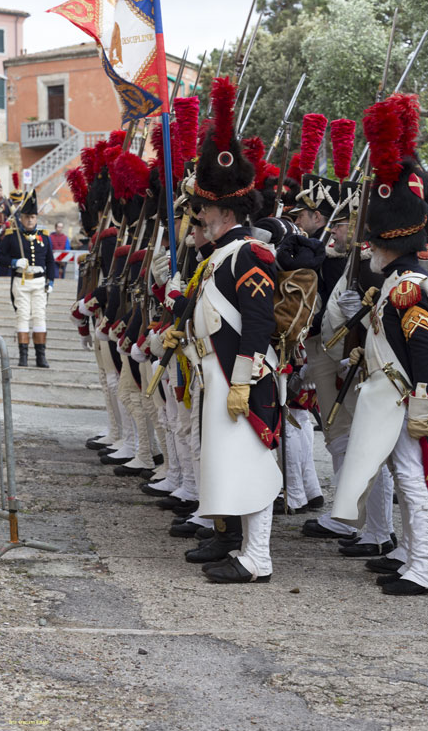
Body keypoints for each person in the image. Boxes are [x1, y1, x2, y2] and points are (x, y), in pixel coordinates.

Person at [163, 76, 282, 583]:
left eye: (205, 209)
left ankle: (259, 557)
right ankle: (232, 540)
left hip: (242, 377)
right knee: (223, 463)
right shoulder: (217, 256)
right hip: (216, 373)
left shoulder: (249, 254)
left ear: (225, 211)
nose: (200, 216)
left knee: (252, 465)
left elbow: (257, 324)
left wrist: (242, 380)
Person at [332, 156, 428, 596]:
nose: (368, 251)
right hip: (389, 398)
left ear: (387, 244)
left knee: (412, 481)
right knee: (401, 478)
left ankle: (424, 568)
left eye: (373, 245)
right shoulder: (393, 285)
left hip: (404, 400)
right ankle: (412, 560)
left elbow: (425, 351)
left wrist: (422, 404)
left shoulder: (410, 287)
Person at [0, 189, 55, 367]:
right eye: (27, 217)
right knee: (22, 316)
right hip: (21, 281)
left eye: (33, 217)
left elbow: (50, 261)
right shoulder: (13, 236)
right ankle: (23, 356)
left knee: (40, 316)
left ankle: (40, 356)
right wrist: (13, 262)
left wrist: (51, 281)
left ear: (36, 218)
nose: (30, 220)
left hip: (39, 282)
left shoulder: (44, 236)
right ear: (21, 218)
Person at [0, 175, 12, 277]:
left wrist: (7, 224)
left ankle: (3, 275)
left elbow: (13, 217)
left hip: (3, 232)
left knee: (3, 254)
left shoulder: (7, 203)